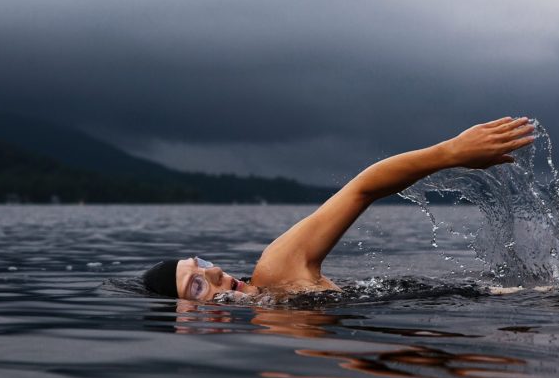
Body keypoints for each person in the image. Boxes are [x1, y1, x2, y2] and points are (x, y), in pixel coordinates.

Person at [141, 117, 536, 301]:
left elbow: (362, 189)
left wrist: (450, 153)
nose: (214, 271)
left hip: (511, 301)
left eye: (202, 262)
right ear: (186, 321)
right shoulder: (272, 340)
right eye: (196, 285)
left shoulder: (276, 272)